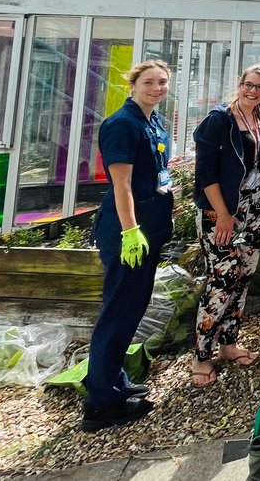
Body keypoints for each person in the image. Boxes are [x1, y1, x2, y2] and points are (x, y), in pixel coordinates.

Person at [82, 60, 173, 432]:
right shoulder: (122, 124)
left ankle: (113, 381)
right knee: (118, 310)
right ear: (132, 84)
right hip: (128, 234)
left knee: (130, 309)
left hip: (148, 229)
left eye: (163, 82)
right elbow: (121, 185)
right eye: (149, 82)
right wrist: (129, 231)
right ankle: (100, 403)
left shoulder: (150, 121)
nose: (156, 88)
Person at [190, 64, 260, 388]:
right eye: (248, 85)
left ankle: (228, 344)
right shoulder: (219, 120)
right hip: (223, 212)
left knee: (242, 277)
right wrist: (223, 214)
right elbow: (206, 173)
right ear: (239, 85)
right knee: (221, 280)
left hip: (253, 211)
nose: (253, 91)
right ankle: (201, 355)